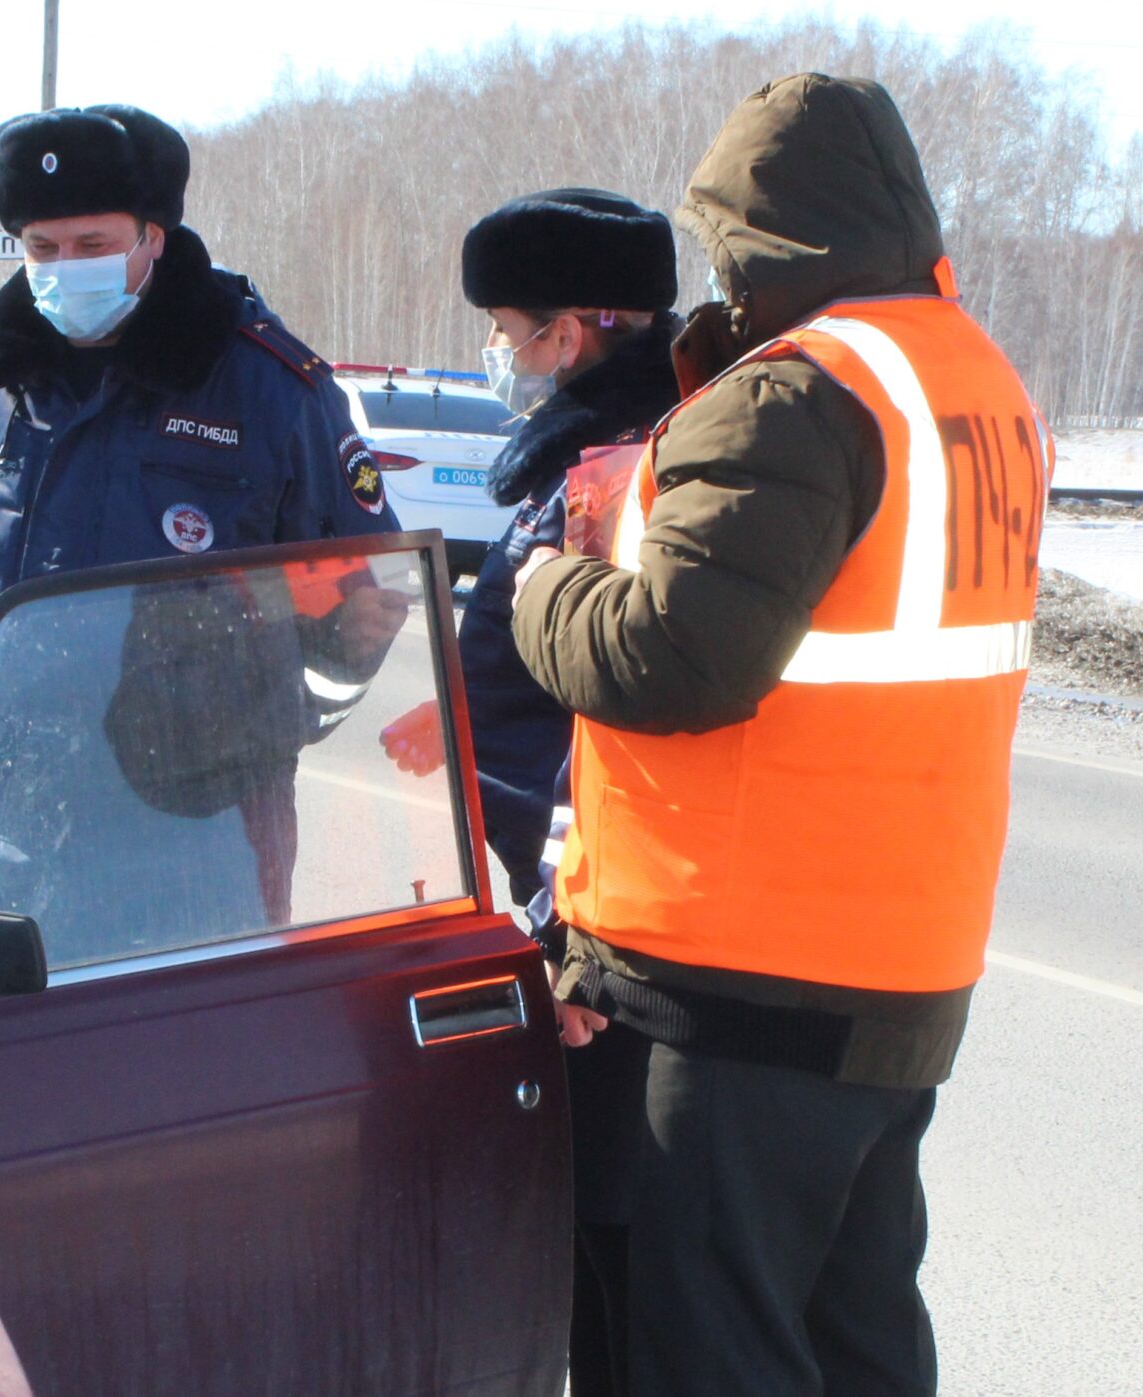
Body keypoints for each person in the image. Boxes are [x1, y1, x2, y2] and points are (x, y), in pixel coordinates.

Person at [510, 75, 1051, 1395]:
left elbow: (671, 654)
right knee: (854, 1336)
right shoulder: (978, 385)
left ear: (754, 239)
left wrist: (545, 590)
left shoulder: (794, 397)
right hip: (897, 971)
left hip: (741, 983)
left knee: (710, 1351)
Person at [0, 103, 405, 963]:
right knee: (16, 1079)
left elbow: (364, 600)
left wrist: (250, 725)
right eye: (43, 249)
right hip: (21, 818)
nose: (65, 269)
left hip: (203, 828)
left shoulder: (266, 391)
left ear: (153, 237)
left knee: (190, 1077)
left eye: (94, 245)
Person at [376, 187, 685, 1397]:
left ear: (575, 328)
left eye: (510, 328)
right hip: (557, 879)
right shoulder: (576, 450)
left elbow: (611, 710)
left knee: (612, 1243)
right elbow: (523, 639)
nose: (500, 353)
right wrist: (450, 700)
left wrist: (577, 939)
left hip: (603, 915)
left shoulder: (627, 464)